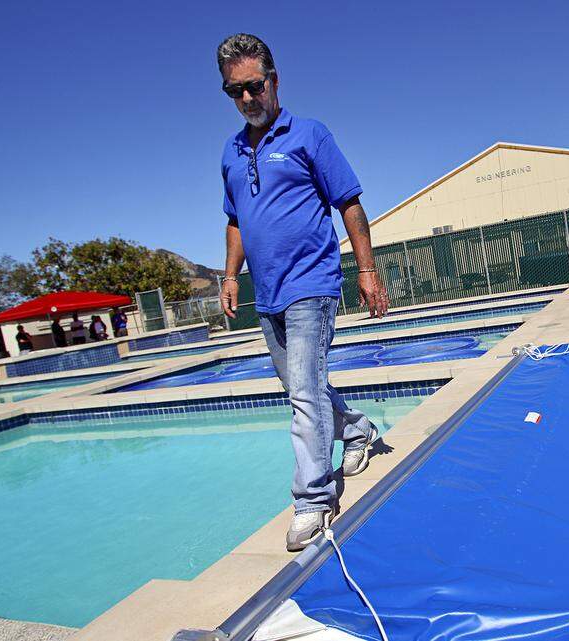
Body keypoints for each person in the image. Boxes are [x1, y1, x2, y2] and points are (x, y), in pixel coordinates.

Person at [216, 34, 390, 552]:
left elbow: (349, 204)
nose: (247, 98)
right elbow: (235, 222)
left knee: (305, 393)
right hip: (265, 295)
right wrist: (229, 276)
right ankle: (358, 430)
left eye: (253, 86)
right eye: (234, 91)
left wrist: (367, 270)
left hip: (312, 285)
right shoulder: (230, 152)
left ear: (274, 81)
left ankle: (312, 498)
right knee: (302, 390)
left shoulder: (309, 134)